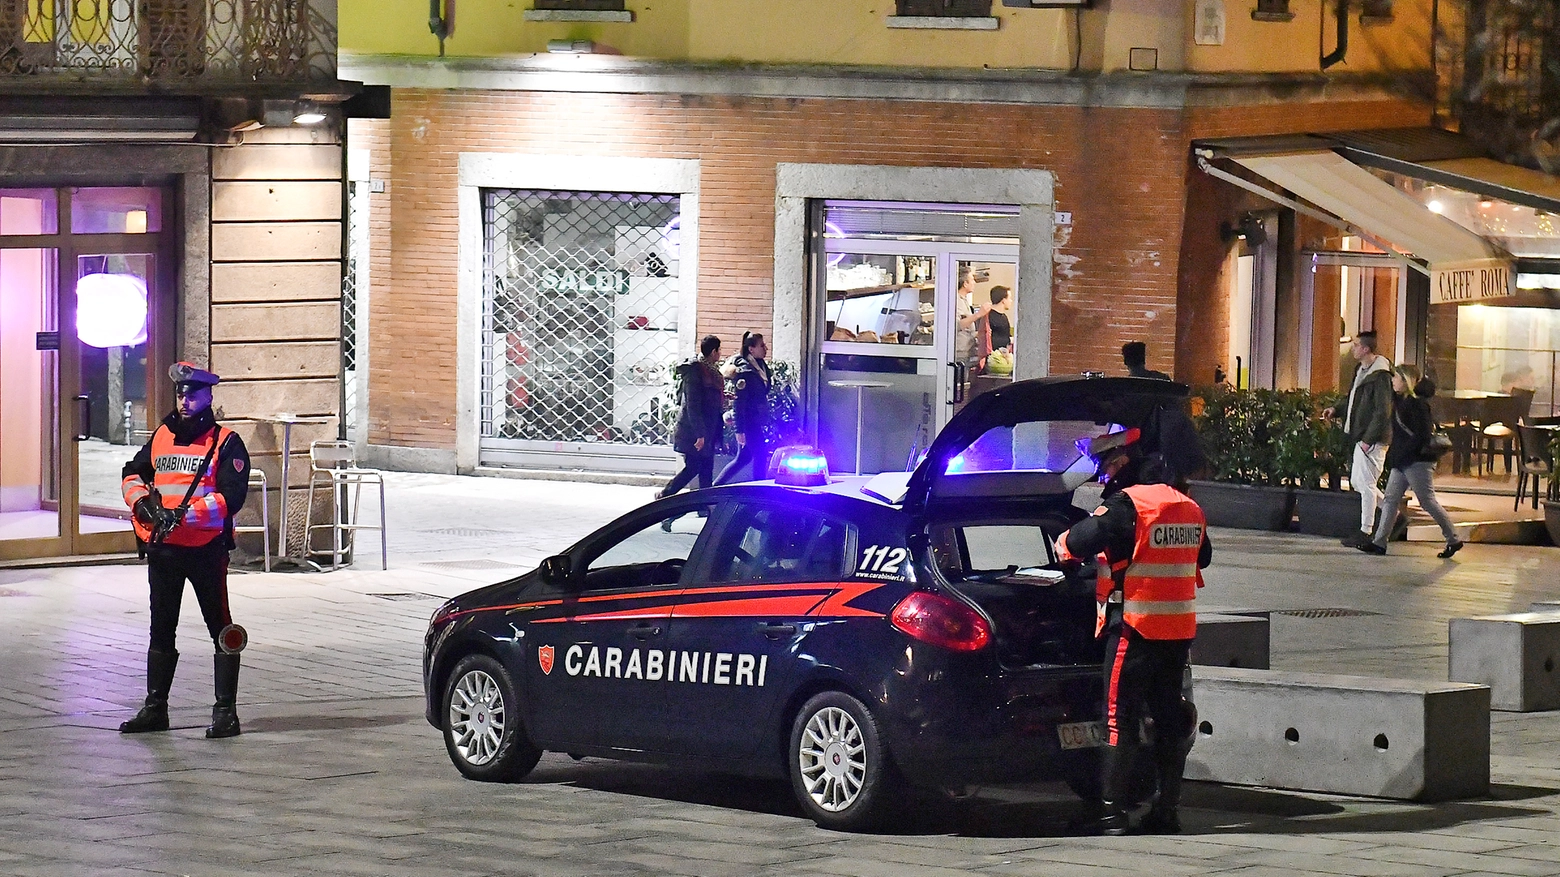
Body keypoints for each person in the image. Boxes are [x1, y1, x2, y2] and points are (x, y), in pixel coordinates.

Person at [1056, 428, 1211, 836]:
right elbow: (1203, 556)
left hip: (1135, 629)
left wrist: (1064, 547)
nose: (1106, 478)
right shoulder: (1190, 508)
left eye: (1107, 469)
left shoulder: (1131, 505)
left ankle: (1109, 814)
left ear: (1127, 467)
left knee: (1117, 718)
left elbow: (1080, 539)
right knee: (1168, 719)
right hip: (1177, 632)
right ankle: (1166, 811)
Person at [118, 362, 251, 739]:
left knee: (220, 627)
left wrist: (185, 515)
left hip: (206, 549)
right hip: (165, 551)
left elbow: (231, 496)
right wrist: (142, 504)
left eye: (193, 393)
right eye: (180, 393)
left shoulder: (226, 442)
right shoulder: (162, 434)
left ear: (209, 396)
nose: (185, 399)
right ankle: (155, 708)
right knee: (161, 627)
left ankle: (226, 712)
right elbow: (131, 473)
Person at [1358, 368, 1464, 558]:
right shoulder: (1400, 400)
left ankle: (1453, 539)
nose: (1393, 381)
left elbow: (1422, 435)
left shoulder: (1417, 405)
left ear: (1405, 381)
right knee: (1390, 499)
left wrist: (1405, 453)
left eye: (1397, 378)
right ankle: (1379, 543)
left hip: (1417, 462)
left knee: (1427, 501)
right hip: (1402, 461)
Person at [1321, 331, 1393, 547]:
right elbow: (1353, 399)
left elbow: (1383, 411)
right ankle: (1392, 514)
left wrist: (1369, 439)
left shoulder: (1380, 376)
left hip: (1370, 439)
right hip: (1362, 436)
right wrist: (1337, 408)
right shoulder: (1361, 371)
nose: (1352, 348)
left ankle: (1366, 530)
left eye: (1356, 345)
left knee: (1367, 484)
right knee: (1359, 482)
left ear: (1366, 349)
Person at [660, 335, 724, 499]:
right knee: (694, 467)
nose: (720, 354)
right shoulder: (696, 371)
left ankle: (704, 505)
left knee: (706, 467)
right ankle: (665, 495)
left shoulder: (709, 370)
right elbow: (692, 405)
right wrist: (700, 434)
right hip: (693, 430)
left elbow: (707, 396)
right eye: (719, 350)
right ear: (713, 351)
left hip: (707, 428)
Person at [714, 331, 772, 485]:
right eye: (762, 345)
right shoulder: (745, 372)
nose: (765, 348)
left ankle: (714, 487)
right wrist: (740, 431)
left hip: (756, 419)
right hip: (748, 421)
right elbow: (739, 403)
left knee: (744, 458)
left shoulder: (760, 366)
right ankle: (759, 491)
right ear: (751, 349)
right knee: (760, 455)